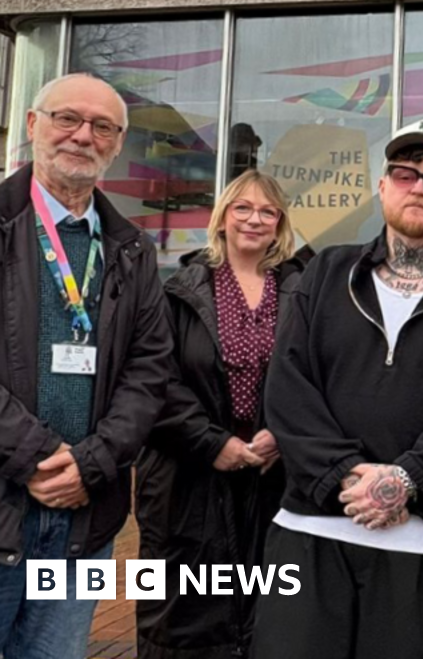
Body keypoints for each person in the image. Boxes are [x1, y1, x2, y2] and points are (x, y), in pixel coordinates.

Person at [251, 118, 423, 659]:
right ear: (382, 187)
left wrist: (408, 479)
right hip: (314, 533)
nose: (419, 186)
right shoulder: (327, 272)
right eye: (404, 173)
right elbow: (288, 384)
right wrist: (347, 478)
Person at [0, 73, 172, 658]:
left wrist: (91, 463)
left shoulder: (130, 248)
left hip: (85, 516)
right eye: (66, 118)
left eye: (102, 126)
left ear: (118, 143)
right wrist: (38, 457)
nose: (82, 136)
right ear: (32, 126)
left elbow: (151, 369)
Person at [135, 170, 307, 659]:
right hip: (189, 481)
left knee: (268, 617)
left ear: (280, 224)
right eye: (243, 209)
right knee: (186, 621)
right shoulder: (178, 291)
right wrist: (213, 444)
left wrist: (283, 433)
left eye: (267, 211)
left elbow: (316, 376)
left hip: (273, 477)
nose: (255, 220)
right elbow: (155, 381)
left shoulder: (302, 293)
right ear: (223, 217)